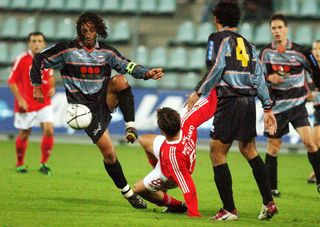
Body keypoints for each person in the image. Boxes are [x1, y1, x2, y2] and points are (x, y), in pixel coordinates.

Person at [29, 12, 164, 209]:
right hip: (84, 109)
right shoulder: (67, 50)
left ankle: (130, 127)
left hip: (103, 99)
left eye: (92, 30)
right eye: (84, 30)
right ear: (79, 31)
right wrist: (37, 85)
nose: (88, 34)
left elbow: (127, 65)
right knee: (109, 154)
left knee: (120, 80)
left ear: (98, 30)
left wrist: (147, 73)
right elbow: (39, 59)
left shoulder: (107, 52)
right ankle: (128, 193)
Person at [186, 1, 278, 221]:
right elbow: (258, 77)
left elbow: (216, 67)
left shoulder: (217, 38)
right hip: (248, 102)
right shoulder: (249, 45)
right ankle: (269, 203)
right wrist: (267, 107)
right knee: (249, 150)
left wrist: (199, 91)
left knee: (217, 153)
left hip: (230, 101)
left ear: (216, 18)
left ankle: (229, 209)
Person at [259, 14, 320, 196]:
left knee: (310, 143)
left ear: (286, 29)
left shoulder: (301, 52)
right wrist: (269, 77)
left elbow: (315, 70)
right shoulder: (266, 53)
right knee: (273, 146)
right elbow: (259, 77)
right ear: (271, 31)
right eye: (273, 28)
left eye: (279, 27)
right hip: (277, 108)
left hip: (297, 106)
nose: (277, 31)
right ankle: (272, 187)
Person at [133, 89, 217, 217]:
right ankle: (156, 165)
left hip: (170, 174)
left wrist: (193, 213)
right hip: (174, 149)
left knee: (137, 189)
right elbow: (209, 106)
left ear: (162, 132)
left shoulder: (172, 155)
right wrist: (217, 85)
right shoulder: (187, 122)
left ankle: (176, 206)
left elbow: (187, 185)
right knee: (144, 140)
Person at [7, 32, 55, 175]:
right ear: (29, 43)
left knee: (49, 130)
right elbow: (11, 81)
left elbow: (50, 77)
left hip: (43, 101)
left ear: (44, 43)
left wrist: (52, 87)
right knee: (25, 133)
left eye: (39, 41)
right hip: (26, 103)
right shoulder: (21, 59)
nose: (36, 44)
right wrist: (20, 99)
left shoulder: (47, 60)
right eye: (33, 41)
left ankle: (44, 163)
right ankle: (20, 163)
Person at [307, 40, 320, 184]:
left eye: (319, 48)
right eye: (314, 48)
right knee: (314, 142)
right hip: (318, 109)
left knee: (315, 142)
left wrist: (313, 95)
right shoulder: (310, 69)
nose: (316, 51)